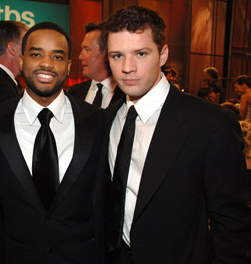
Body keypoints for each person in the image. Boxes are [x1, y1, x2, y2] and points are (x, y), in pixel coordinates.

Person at [102, 5, 250, 264]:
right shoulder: (109, 118)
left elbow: (231, 220)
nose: (127, 67)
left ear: (163, 55)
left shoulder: (209, 122)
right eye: (117, 55)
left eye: (141, 53)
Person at [0, 22, 105, 263]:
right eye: (36, 54)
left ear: (68, 66)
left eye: (57, 56)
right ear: (21, 60)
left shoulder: (98, 121)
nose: (46, 64)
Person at [69, 21, 123, 109]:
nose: (80, 57)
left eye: (87, 50)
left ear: (107, 53)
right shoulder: (75, 92)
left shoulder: (126, 95)